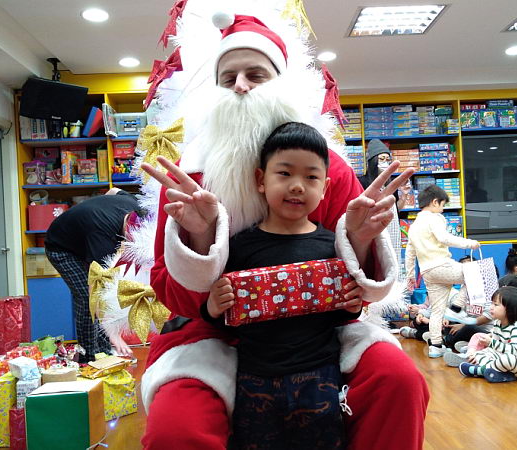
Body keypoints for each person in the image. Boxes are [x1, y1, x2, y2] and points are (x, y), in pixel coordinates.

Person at [136, 11, 429, 449]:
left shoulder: (327, 171)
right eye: (227, 78)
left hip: (317, 330)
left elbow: (361, 283)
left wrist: (362, 244)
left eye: (256, 74)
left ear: (282, 83)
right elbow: (167, 285)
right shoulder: (189, 176)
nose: (240, 86)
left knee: (399, 380)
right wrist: (199, 245)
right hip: (212, 333)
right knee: (176, 428)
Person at [202, 122, 375, 448]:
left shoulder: (333, 245)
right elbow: (221, 319)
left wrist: (352, 305)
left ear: (325, 187)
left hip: (319, 375)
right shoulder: (239, 246)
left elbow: (339, 315)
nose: (297, 186)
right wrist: (213, 306)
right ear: (260, 180)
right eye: (284, 173)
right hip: (255, 377)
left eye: (311, 177)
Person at [44, 189, 144, 361]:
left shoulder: (134, 204)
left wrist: (96, 209)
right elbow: (95, 290)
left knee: (108, 290)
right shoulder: (102, 238)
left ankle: (104, 352)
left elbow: (113, 190)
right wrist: (113, 334)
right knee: (85, 298)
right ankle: (88, 357)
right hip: (61, 248)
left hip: (83, 239)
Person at [408, 184, 480, 357]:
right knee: (476, 273)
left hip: (427, 272)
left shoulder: (414, 226)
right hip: (441, 265)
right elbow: (444, 238)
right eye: (442, 205)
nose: (442, 209)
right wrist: (469, 243)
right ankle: (456, 308)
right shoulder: (434, 218)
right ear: (435, 202)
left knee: (437, 311)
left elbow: (410, 253)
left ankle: (436, 346)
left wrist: (410, 275)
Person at [458, 286, 517, 382]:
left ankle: (480, 370)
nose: (491, 307)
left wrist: (491, 342)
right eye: (492, 303)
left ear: (510, 309)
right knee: (483, 353)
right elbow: (494, 349)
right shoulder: (498, 322)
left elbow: (514, 351)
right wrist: (479, 354)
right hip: (507, 363)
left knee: (508, 359)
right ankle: (500, 374)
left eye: (496, 305)